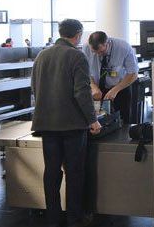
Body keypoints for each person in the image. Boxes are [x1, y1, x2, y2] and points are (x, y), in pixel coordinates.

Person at [31, 19, 101, 227]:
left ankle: (53, 217)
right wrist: (93, 120)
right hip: (72, 126)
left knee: (51, 172)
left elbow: (34, 87)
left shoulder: (42, 55)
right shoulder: (76, 56)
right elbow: (82, 92)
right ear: (78, 34)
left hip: (46, 124)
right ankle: (74, 218)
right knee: (74, 172)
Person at [83, 31, 138, 124]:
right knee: (99, 121)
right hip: (97, 90)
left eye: (101, 51)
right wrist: (93, 87)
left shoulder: (123, 47)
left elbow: (133, 74)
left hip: (120, 88)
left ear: (107, 43)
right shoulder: (86, 48)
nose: (98, 55)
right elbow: (85, 71)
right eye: (94, 52)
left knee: (123, 121)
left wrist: (115, 90)